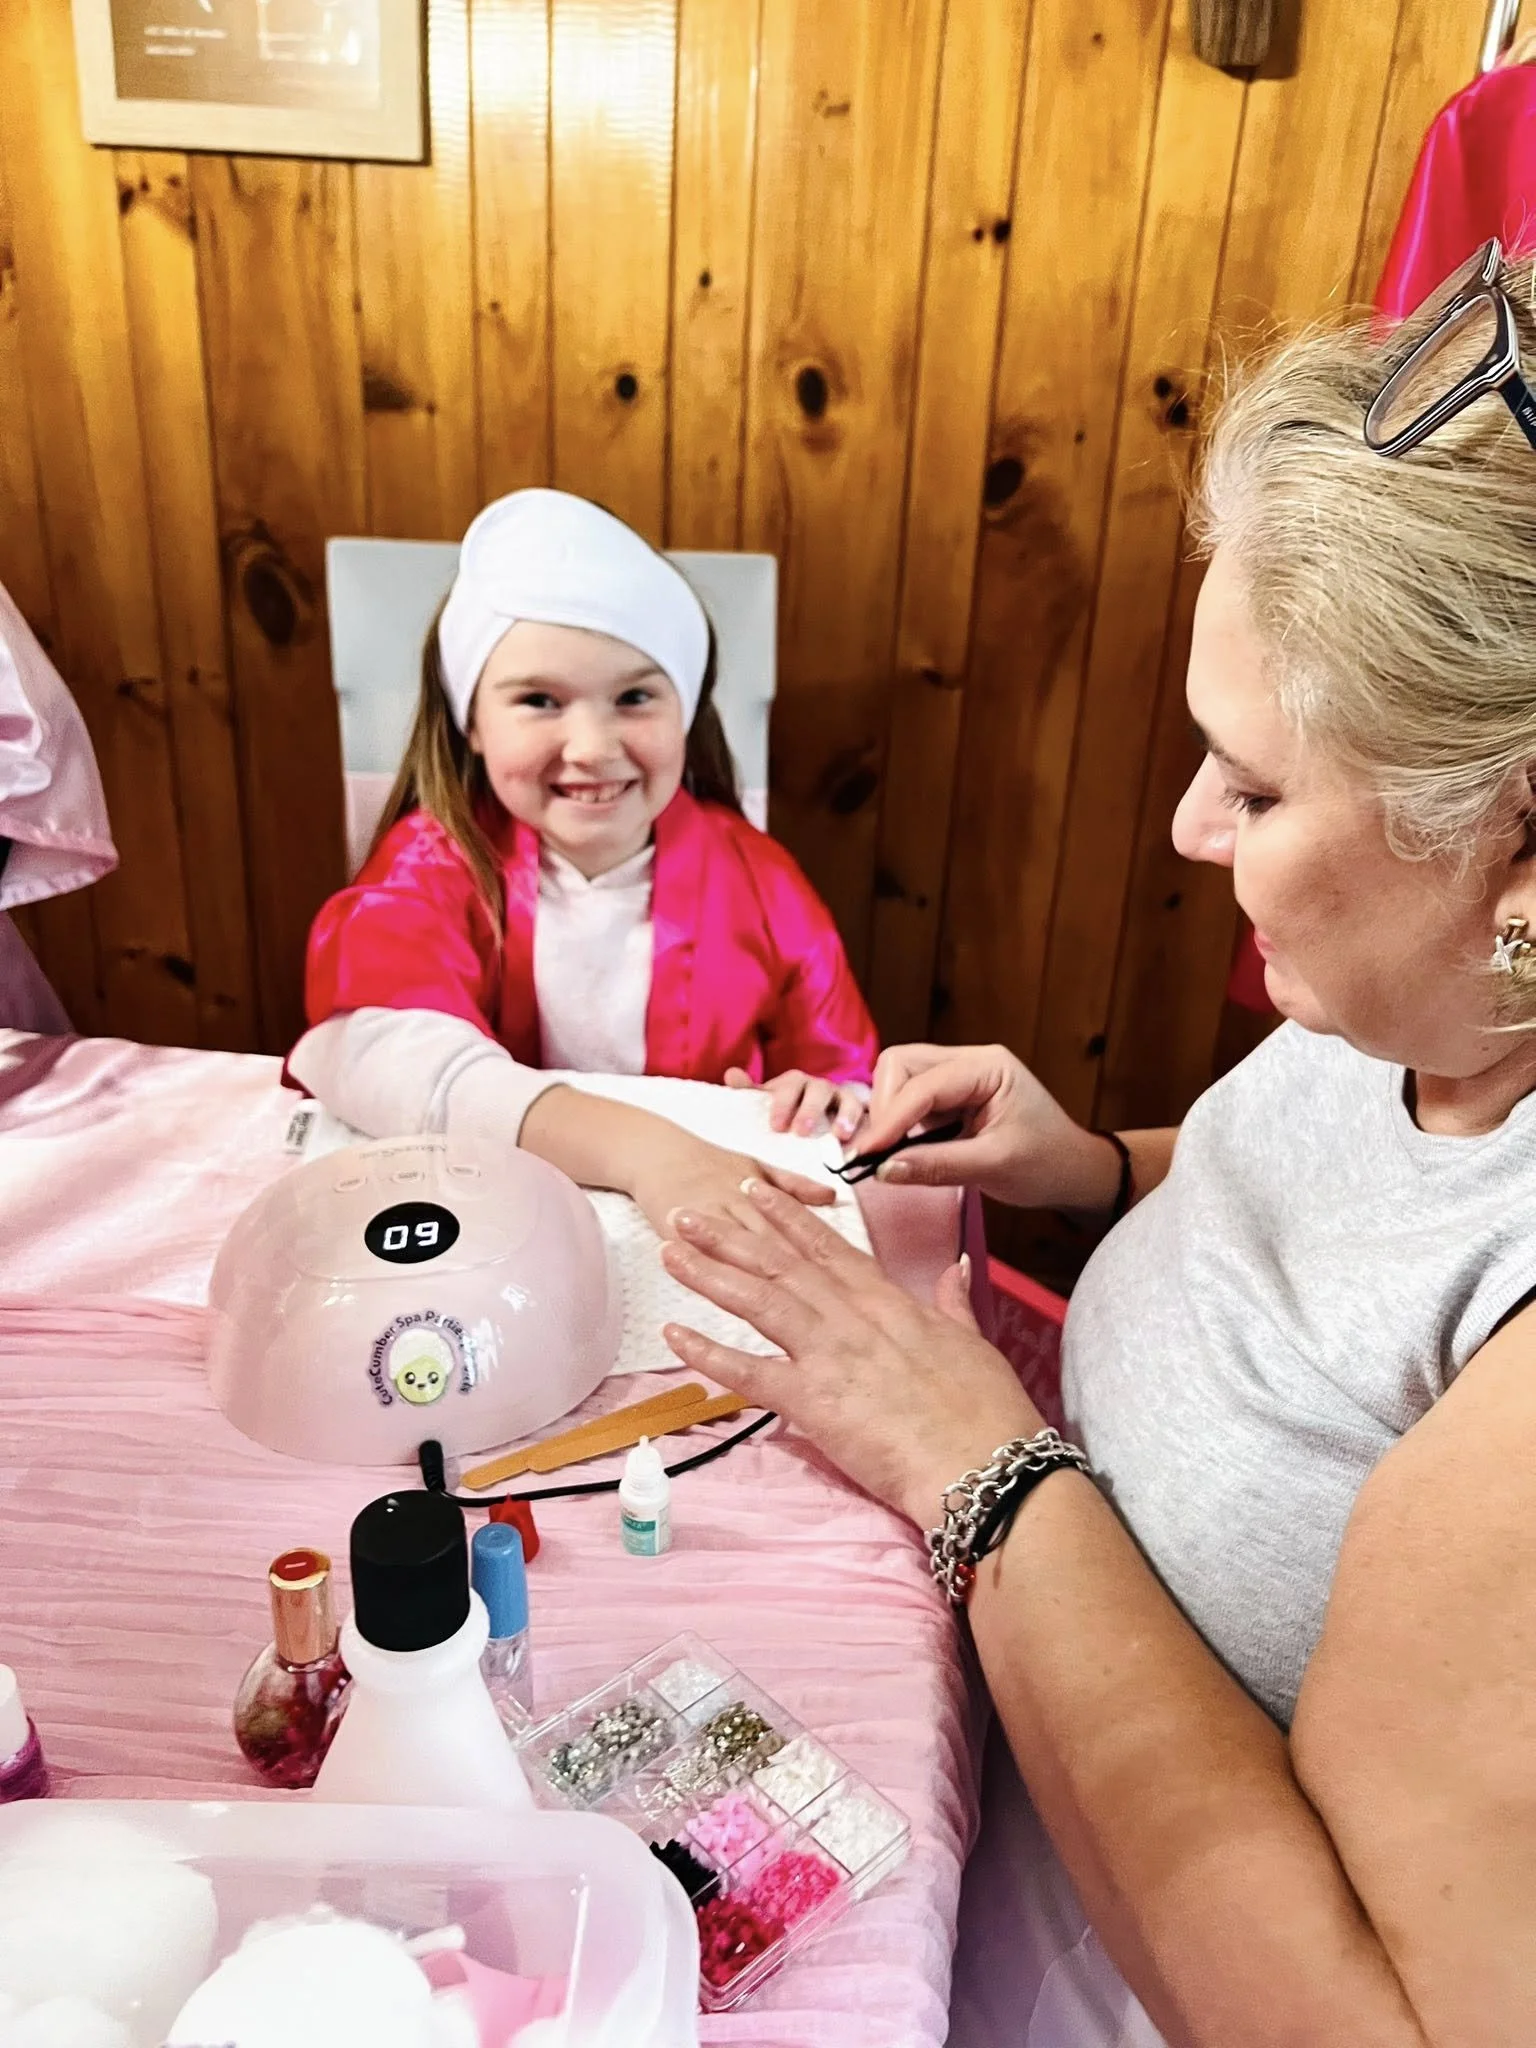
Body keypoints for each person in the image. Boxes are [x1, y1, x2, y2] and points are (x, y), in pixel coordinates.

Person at [659, 243, 1536, 2044]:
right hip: (996, 1678)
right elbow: (1339, 1228)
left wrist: (974, 1465)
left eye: (1260, 787)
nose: (1192, 824)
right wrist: (1096, 1170)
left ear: (1520, 860)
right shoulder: (1445, 1001)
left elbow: (1365, 2021)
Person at [290, 489, 877, 1235]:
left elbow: (841, 1073)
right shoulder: (431, 867)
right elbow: (372, 1050)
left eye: (634, 696)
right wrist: (643, 1154)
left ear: (686, 711)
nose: (593, 748)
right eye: (540, 700)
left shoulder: (765, 883)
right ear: (472, 723)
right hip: (505, 1222)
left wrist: (829, 1096)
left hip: (710, 1214)